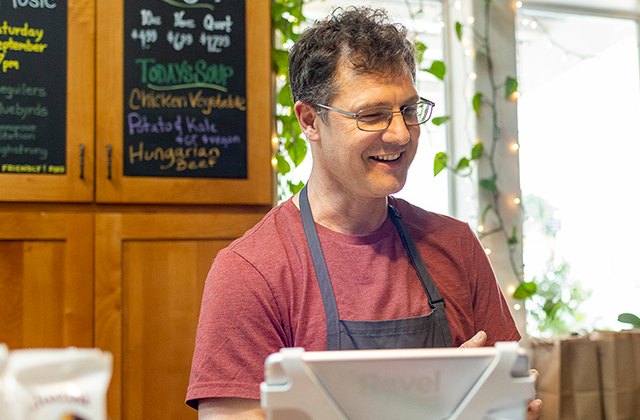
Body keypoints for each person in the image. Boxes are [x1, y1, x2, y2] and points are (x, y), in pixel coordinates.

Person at [185, 6, 542, 419]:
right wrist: (436, 406)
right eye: (371, 115)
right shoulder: (251, 272)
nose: (400, 134)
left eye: (409, 110)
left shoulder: (457, 246)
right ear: (309, 120)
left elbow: (515, 401)